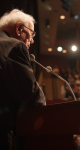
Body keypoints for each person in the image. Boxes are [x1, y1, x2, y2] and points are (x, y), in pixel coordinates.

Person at [0, 9, 46, 150]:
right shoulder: (15, 46)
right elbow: (32, 96)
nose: (32, 40)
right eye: (31, 33)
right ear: (19, 29)